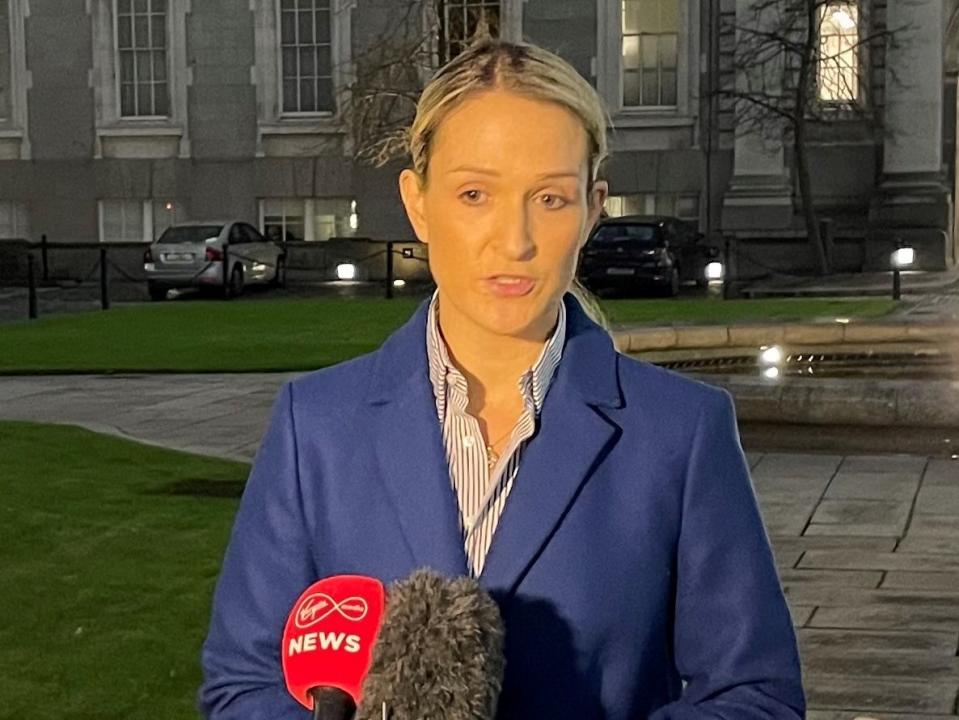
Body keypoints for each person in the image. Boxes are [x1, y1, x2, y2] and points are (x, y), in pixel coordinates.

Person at [198, 38, 805, 719]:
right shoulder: (316, 425)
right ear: (418, 202)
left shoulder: (680, 432)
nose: (513, 239)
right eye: (474, 193)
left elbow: (755, 696)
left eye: (549, 198)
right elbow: (243, 685)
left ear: (591, 209)